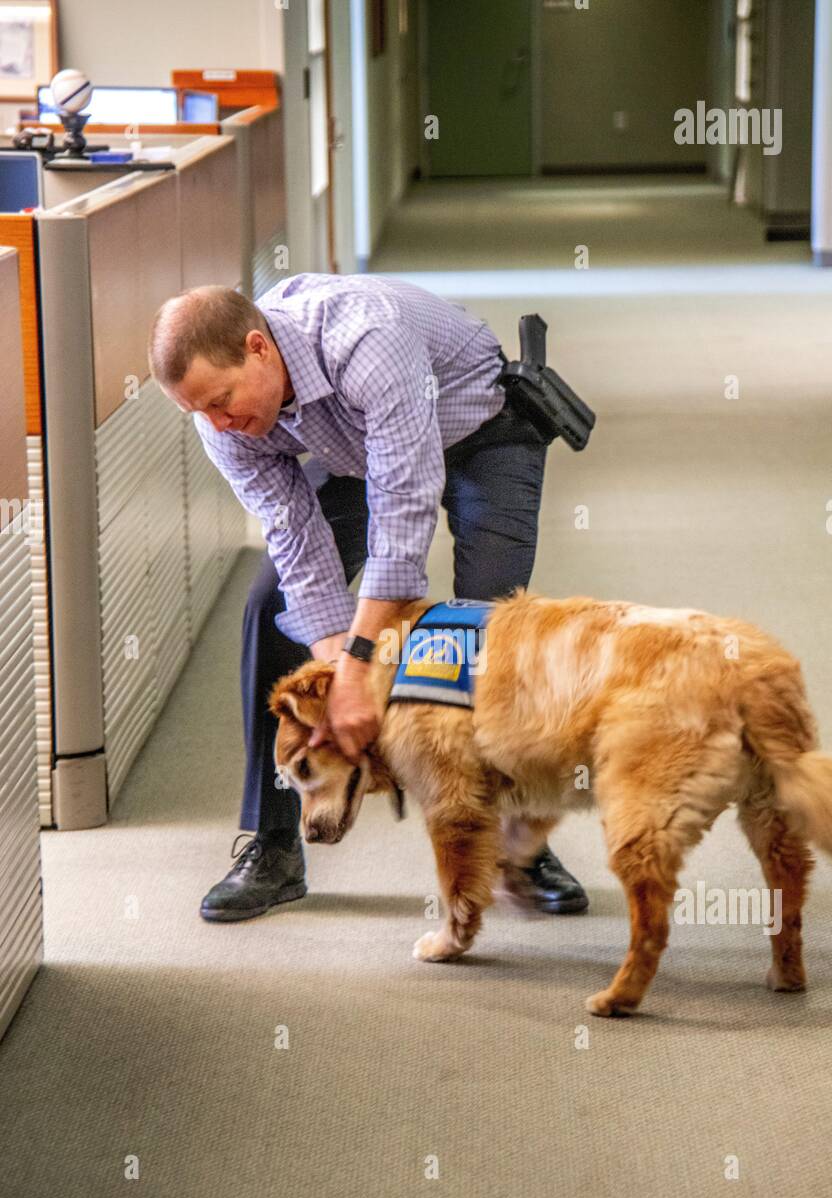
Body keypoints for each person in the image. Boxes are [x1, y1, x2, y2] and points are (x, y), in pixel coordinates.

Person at [147, 273, 589, 921]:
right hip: (354, 448)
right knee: (272, 607)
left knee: (488, 626)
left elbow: (402, 511)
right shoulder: (222, 418)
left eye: (222, 400)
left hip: (478, 428)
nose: (219, 424)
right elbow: (294, 533)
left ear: (258, 348)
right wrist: (334, 672)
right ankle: (272, 846)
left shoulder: (365, 337)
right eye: (199, 413)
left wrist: (359, 663)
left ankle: (520, 841)